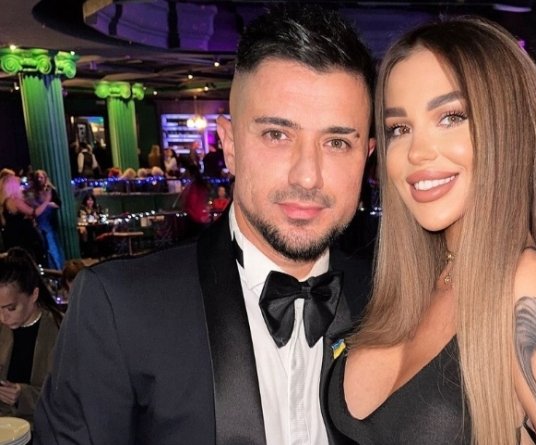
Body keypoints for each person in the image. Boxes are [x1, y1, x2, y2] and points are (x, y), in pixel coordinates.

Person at [34, 4, 376, 445]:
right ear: (230, 146)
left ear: (366, 157)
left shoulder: (392, 299)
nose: (307, 176)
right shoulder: (119, 308)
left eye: (337, 142)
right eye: (277, 135)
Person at [327, 17, 536, 445]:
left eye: (451, 117)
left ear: (507, 131)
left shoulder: (524, 281)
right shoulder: (415, 280)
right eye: (400, 128)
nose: (417, 152)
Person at [1, 247, 64, 426]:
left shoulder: (60, 330)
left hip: (45, 429)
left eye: (11, 308)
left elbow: (69, 394)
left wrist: (23, 395)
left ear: (34, 295)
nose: (3, 317)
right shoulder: (3, 328)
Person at [1, 172, 49, 266]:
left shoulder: (5, 202)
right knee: (30, 259)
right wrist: (46, 201)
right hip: (23, 236)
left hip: (12, 236)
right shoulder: (15, 201)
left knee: (18, 262)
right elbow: (34, 212)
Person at [27, 170, 65, 270]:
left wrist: (47, 204)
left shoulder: (50, 190)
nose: (39, 179)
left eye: (41, 177)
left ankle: (57, 269)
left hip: (48, 222)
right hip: (38, 223)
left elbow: (58, 204)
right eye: (37, 177)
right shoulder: (32, 192)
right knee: (42, 248)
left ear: (45, 178)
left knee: (52, 247)